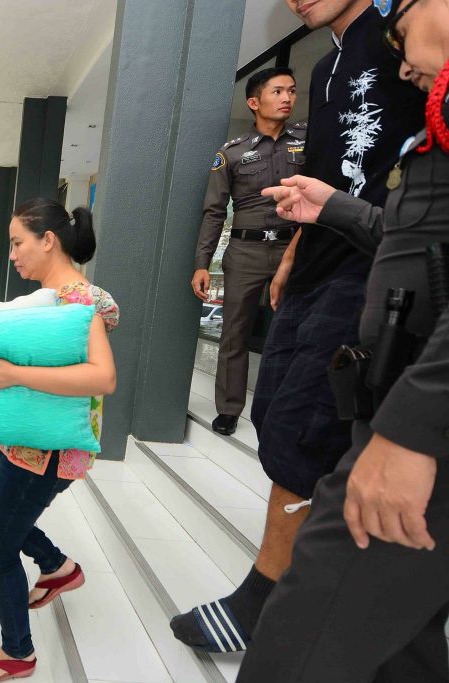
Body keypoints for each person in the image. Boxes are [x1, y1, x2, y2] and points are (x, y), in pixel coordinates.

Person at [171, 0, 426, 653]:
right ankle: (306, 585)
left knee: (307, 428)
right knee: (279, 413)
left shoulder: (404, 38)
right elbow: (320, 173)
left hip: (372, 265)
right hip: (314, 260)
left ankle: (268, 595)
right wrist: (290, 255)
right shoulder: (324, 70)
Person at [237, 1, 449, 678]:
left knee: (295, 646)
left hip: (420, 419)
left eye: (399, 23)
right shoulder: (428, 111)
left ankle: (262, 592)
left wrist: (412, 431)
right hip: (397, 388)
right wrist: (332, 212)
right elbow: (420, 241)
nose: (400, 54)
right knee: (399, 645)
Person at [0, 198, 119, 682]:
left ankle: (17, 653)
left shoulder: (78, 301)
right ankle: (55, 564)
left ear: (48, 240)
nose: (13, 254)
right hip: (17, 435)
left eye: (17, 242)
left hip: (46, 448)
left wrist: (13, 375)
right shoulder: (43, 301)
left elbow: (102, 378)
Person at [191, 67, 304, 436]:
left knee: (295, 331)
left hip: (296, 246)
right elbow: (213, 211)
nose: (287, 98)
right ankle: (228, 409)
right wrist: (202, 263)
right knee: (235, 334)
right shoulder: (233, 153)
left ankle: (284, 409)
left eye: (291, 91)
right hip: (245, 251)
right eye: (277, 92)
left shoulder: (308, 141)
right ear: (254, 102)